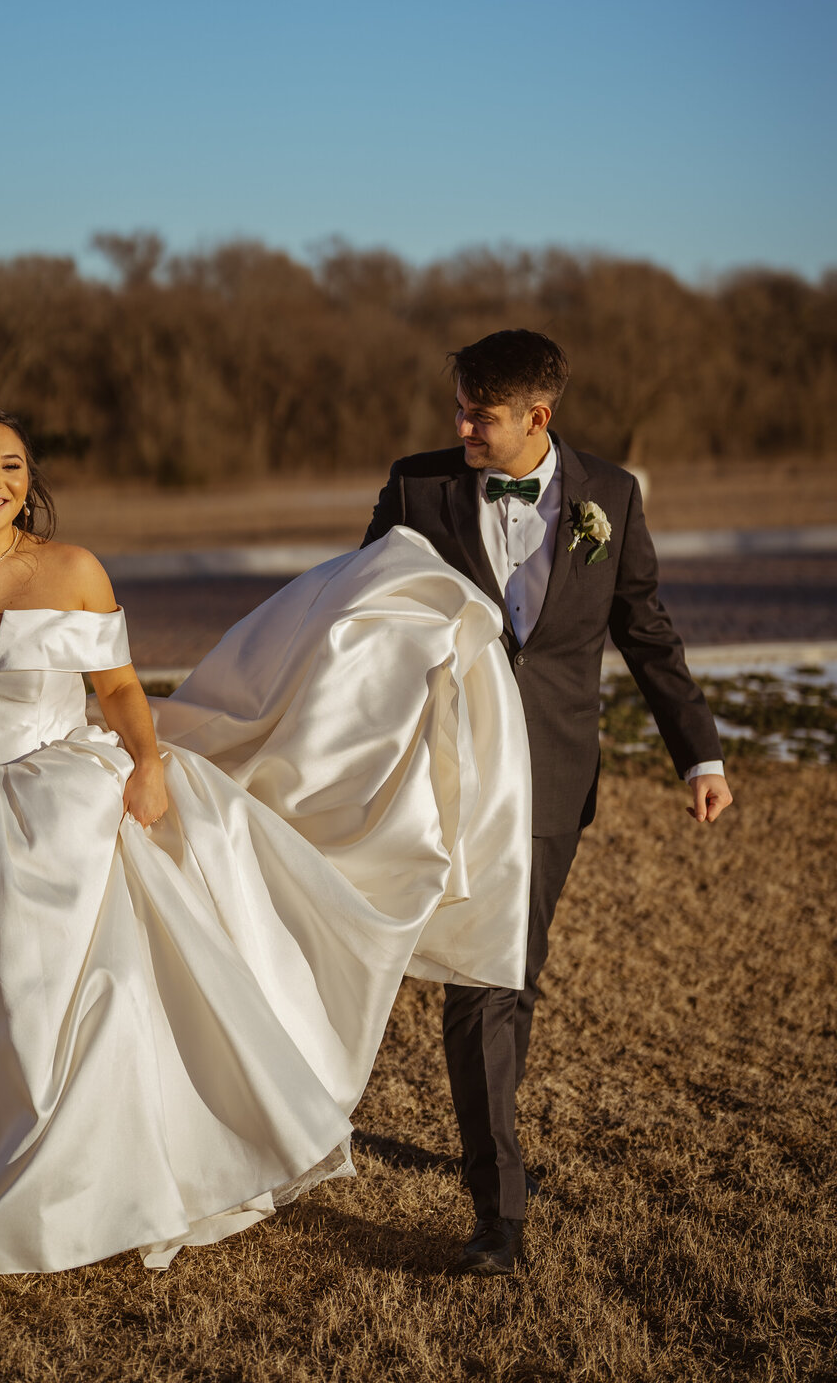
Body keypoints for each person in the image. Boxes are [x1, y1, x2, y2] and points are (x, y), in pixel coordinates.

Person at [0, 405, 533, 1310]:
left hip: (65, 809)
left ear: (31, 480)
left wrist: (146, 764)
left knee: (91, 1000)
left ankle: (14, 1217)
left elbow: (120, 686)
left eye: (13, 467)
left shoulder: (74, 570)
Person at [363, 328, 733, 1278]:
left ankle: (489, 1137)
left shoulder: (611, 495)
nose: (460, 427)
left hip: (556, 778)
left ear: (540, 417)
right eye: (458, 408)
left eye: (479, 415)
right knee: (482, 985)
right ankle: (500, 1212)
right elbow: (355, 618)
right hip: (452, 773)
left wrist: (699, 755)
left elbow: (646, 633)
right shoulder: (417, 488)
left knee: (513, 977)